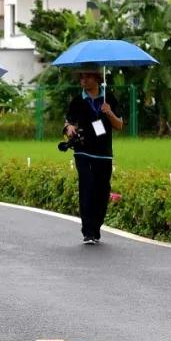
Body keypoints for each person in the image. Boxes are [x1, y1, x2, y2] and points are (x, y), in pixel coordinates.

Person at [64, 71, 124, 245]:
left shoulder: (109, 99)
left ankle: (96, 227)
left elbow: (119, 125)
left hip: (104, 153)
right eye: (81, 77)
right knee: (86, 187)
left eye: (87, 77)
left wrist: (109, 112)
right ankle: (88, 231)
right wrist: (69, 129)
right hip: (83, 151)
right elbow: (68, 122)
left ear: (98, 78)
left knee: (102, 190)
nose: (83, 80)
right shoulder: (77, 101)